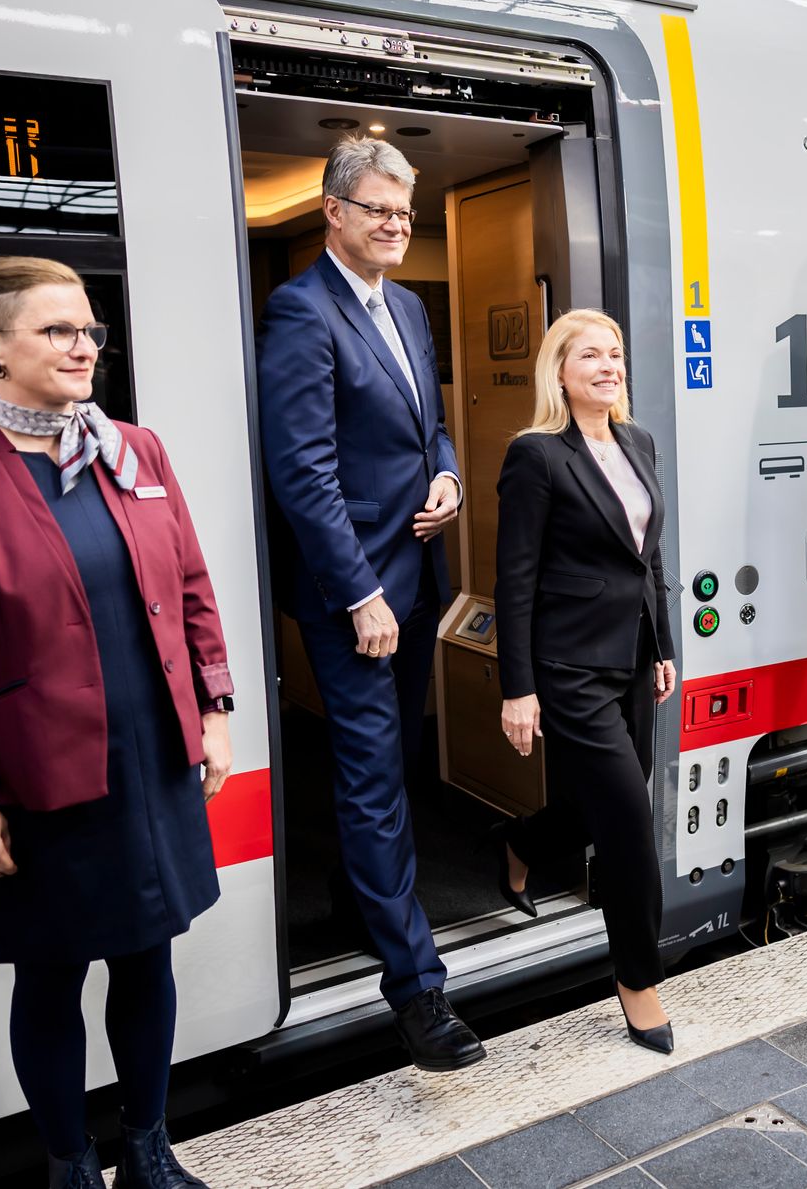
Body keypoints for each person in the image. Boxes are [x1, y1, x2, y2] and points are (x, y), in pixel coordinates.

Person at [0, 254, 233, 1189]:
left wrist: (216, 710)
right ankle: (70, 1168)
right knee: (52, 973)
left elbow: (191, 586)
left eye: (89, 330)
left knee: (149, 957)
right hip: (34, 777)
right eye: (58, 331)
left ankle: (149, 1153)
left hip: (151, 754)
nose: (83, 347)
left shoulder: (135, 451)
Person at [256, 138, 482, 1071]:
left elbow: (430, 424)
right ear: (333, 212)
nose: (395, 225)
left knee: (392, 758)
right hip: (357, 596)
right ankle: (417, 988)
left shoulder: (411, 308)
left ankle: (361, 901)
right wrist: (359, 595)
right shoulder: (299, 312)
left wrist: (449, 475)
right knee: (374, 777)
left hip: (417, 577)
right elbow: (301, 470)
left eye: (404, 212)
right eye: (378, 209)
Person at [493, 311, 679, 1052]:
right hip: (567, 666)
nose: (609, 365)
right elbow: (515, 579)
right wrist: (518, 686)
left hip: (633, 657)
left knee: (595, 803)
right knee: (631, 821)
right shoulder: (536, 455)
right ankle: (638, 977)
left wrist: (661, 642)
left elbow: (649, 555)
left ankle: (519, 843)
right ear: (560, 370)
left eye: (616, 354)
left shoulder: (638, 441)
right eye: (591, 355)